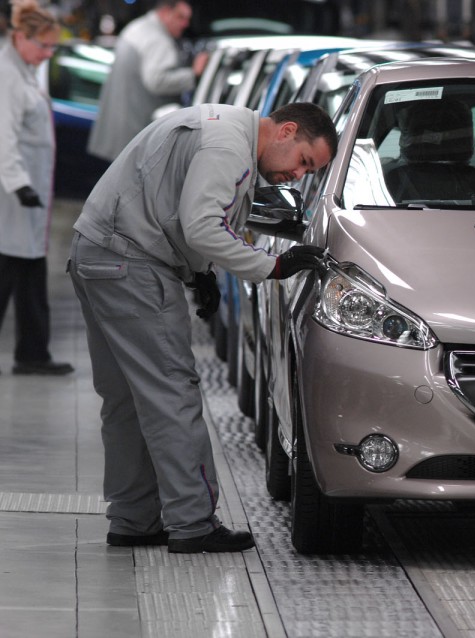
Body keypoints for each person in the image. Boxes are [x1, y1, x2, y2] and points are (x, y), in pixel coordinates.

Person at [68, 101, 337, 553]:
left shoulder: (221, 126)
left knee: (128, 399)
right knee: (172, 391)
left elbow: (175, 204)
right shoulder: (229, 146)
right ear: (287, 131)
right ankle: (193, 523)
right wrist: (271, 265)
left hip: (97, 252)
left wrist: (200, 273)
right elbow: (202, 226)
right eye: (304, 162)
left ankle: (133, 518)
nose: (299, 176)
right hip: (130, 263)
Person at [0, 0, 74, 376]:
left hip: (26, 198)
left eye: (52, 47)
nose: (47, 54)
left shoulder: (24, 69)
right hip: (13, 196)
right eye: (43, 46)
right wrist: (20, 185)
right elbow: (3, 138)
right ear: (20, 36)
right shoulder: (7, 75)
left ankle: (33, 353)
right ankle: (32, 352)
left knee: (27, 272)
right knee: (9, 271)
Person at [87, 0, 208, 162]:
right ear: (165, 12)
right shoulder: (157, 39)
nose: (185, 24)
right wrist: (194, 75)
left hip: (119, 131)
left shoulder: (137, 28)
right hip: (136, 135)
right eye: (181, 17)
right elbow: (157, 81)